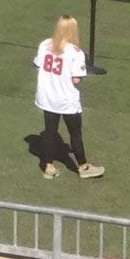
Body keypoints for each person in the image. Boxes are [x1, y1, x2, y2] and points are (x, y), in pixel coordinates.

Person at [34, 14, 104, 179]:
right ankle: (83, 166)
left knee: (50, 132)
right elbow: (76, 79)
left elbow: (38, 65)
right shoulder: (75, 52)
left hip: (47, 97)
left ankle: (48, 166)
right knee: (75, 134)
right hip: (66, 100)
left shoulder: (44, 44)